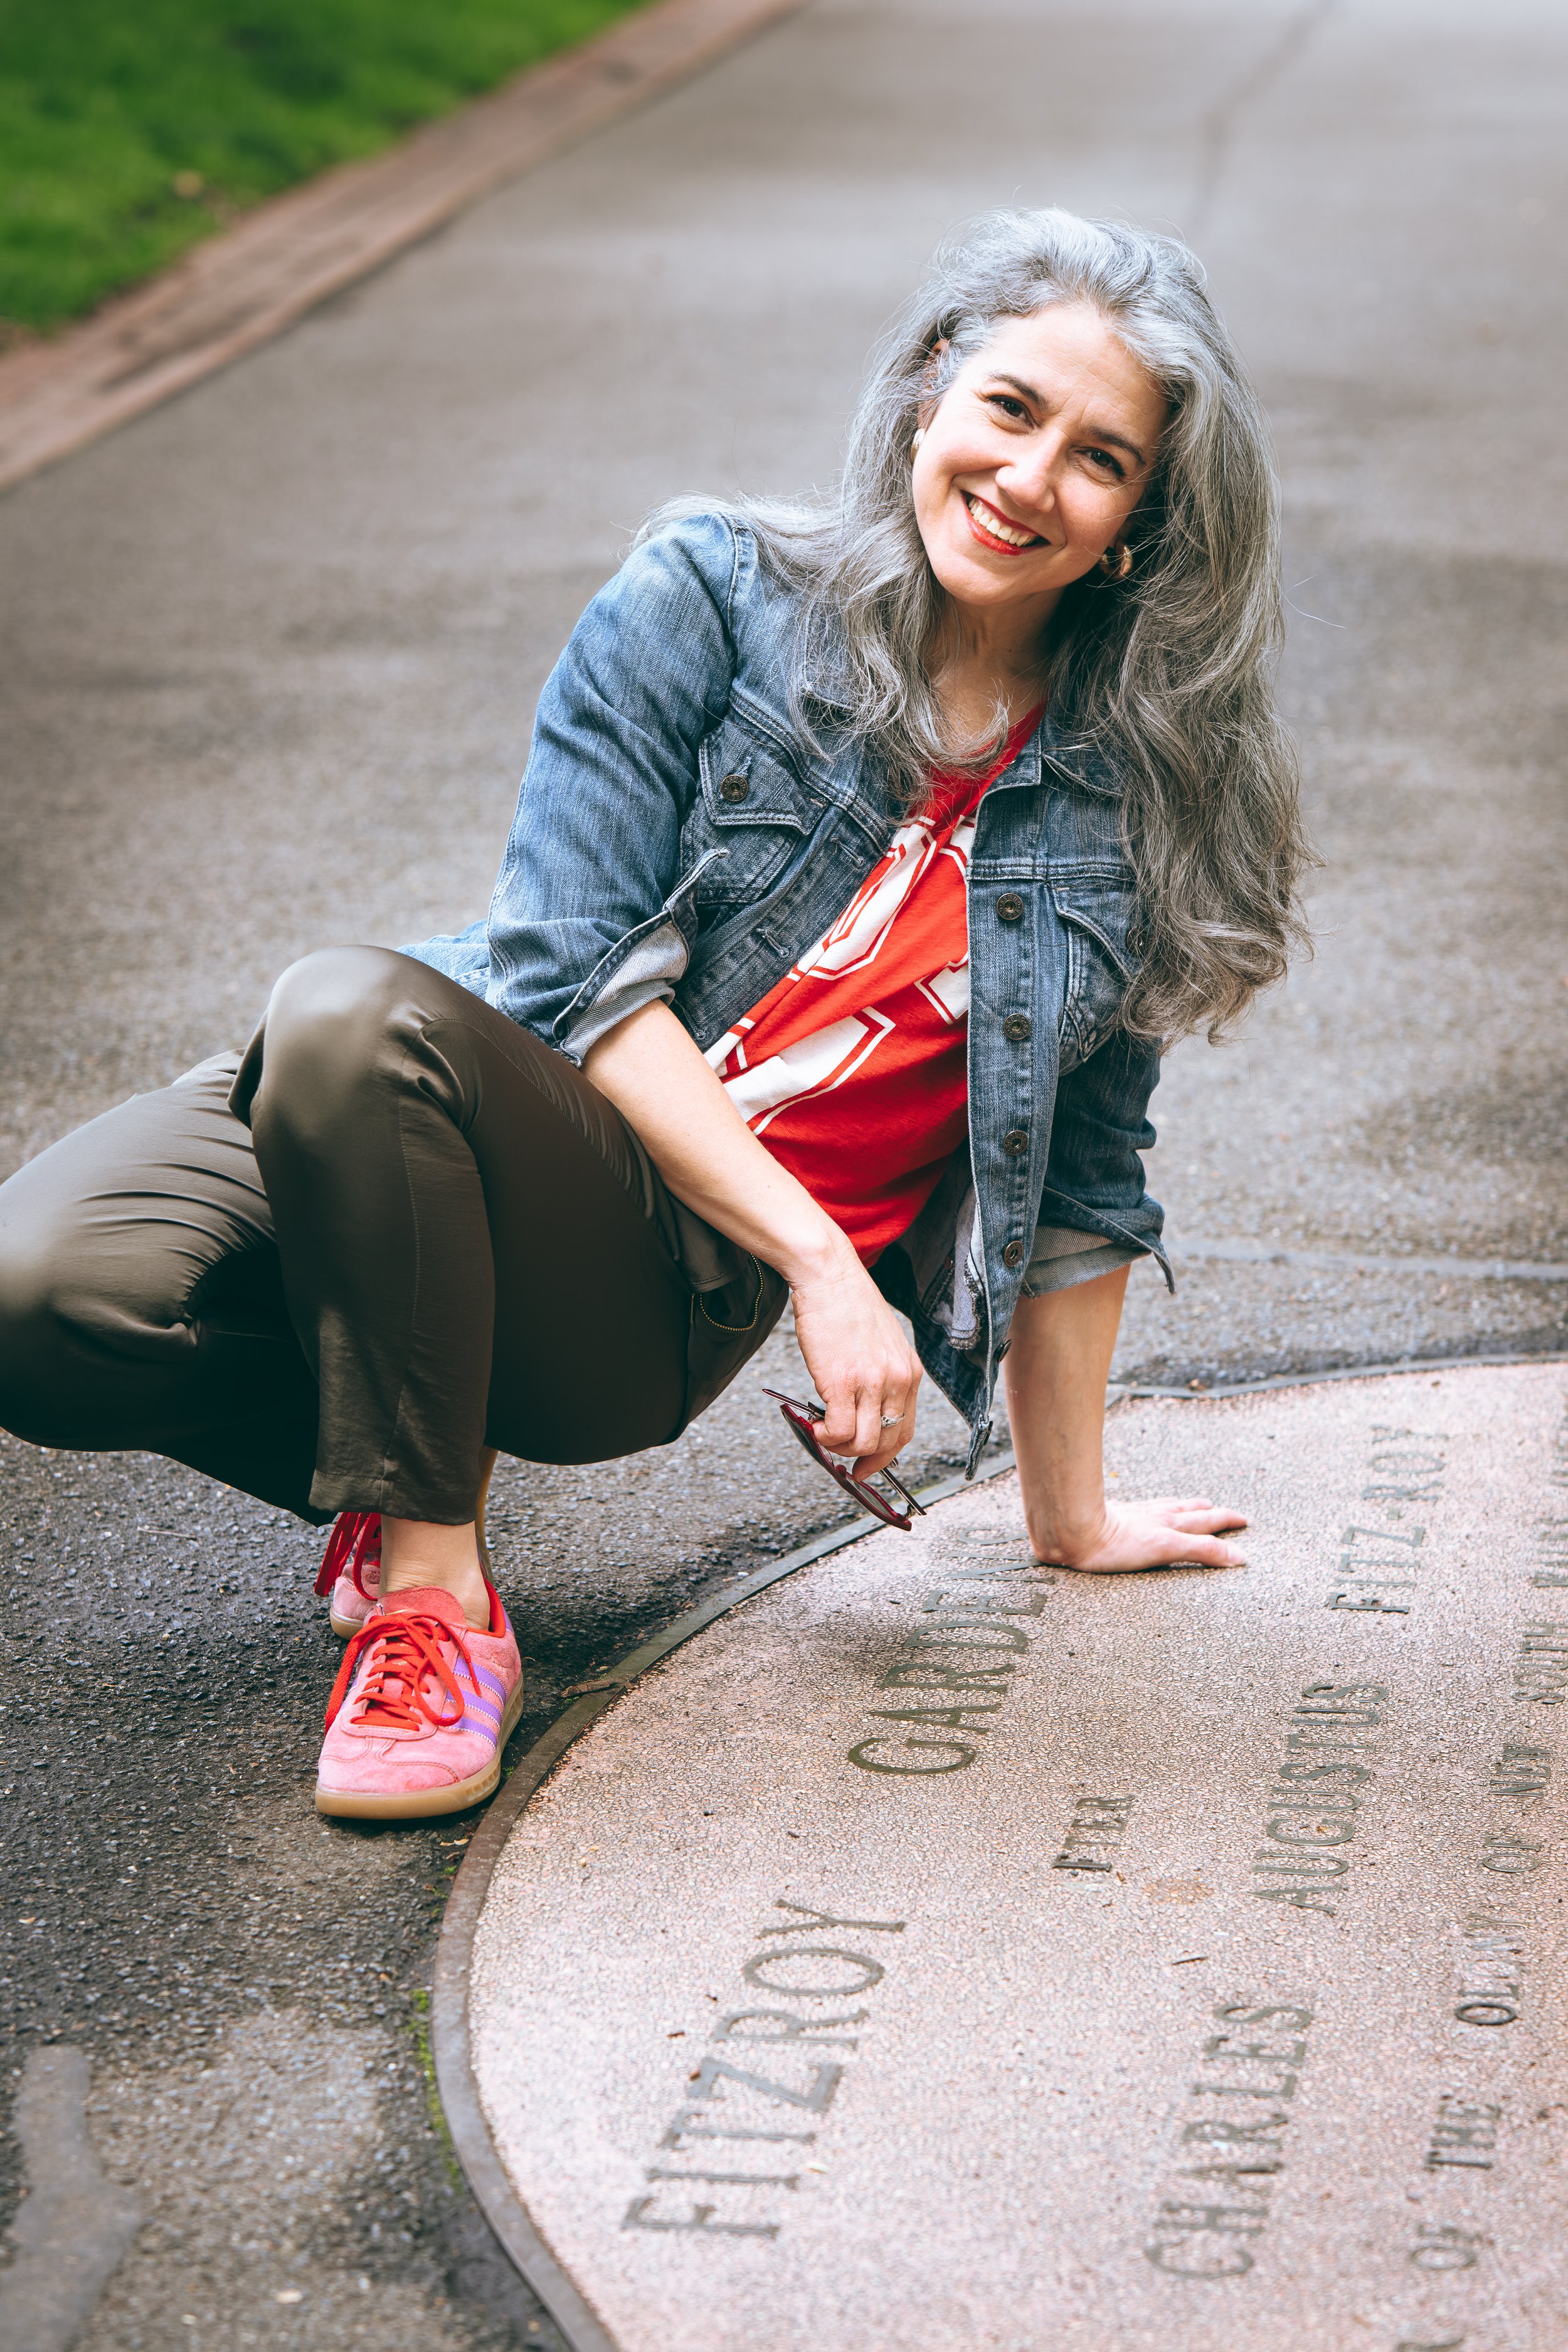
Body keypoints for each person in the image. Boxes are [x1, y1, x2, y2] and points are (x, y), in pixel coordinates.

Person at [0, 209, 1308, 1822]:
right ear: (926, 396)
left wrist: (1070, 1518)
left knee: (351, 1014)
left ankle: (432, 1609)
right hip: (418, 1083)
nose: (1030, 478)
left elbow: (1083, 1188)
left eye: (1099, 459)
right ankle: (412, 1443)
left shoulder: (1131, 805)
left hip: (641, 1272)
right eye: (1010, 409)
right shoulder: (710, 588)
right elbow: (565, 977)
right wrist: (830, 1271)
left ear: (1134, 532)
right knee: (40, 1303)